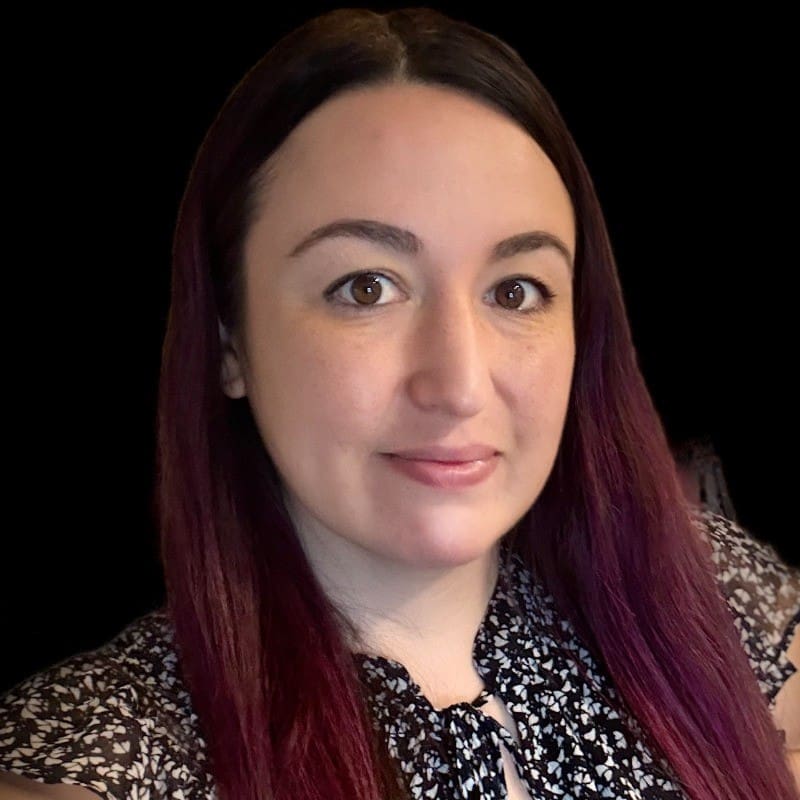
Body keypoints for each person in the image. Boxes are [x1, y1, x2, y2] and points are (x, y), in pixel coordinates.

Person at [1, 7, 798, 799]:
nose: (457, 384)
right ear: (227, 341)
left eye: (515, 291)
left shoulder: (711, 598)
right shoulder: (111, 755)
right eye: (366, 288)